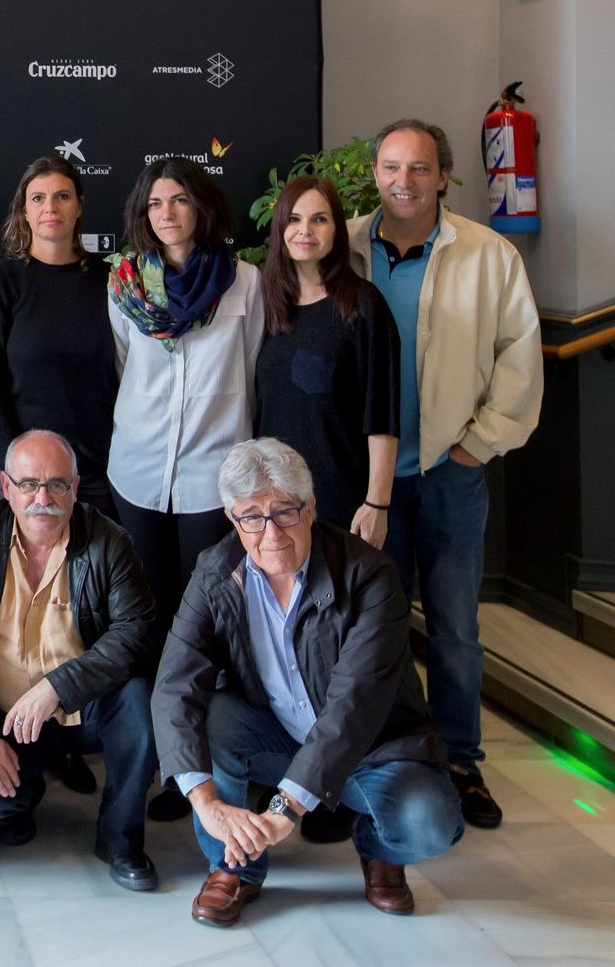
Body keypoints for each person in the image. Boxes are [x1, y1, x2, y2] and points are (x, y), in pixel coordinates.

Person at [153, 439, 463, 926]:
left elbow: (352, 709)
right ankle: (234, 865)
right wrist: (205, 801)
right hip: (277, 732)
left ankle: (378, 848)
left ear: (311, 507)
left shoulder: (370, 575)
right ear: (233, 519)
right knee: (211, 716)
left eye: (284, 511)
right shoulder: (214, 572)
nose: (269, 532)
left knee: (430, 825)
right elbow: (174, 686)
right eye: (251, 516)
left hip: (373, 747)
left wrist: (285, 807)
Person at [347, 118, 543, 828]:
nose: (404, 181)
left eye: (420, 169)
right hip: (368, 484)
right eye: (392, 167)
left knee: (456, 629)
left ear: (443, 176)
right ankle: (389, 756)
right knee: (376, 630)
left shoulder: (488, 257)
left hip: (449, 476)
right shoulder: (339, 245)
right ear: (375, 173)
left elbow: (520, 361)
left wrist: (472, 449)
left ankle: (461, 762)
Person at [106, 156, 263, 821]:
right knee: (152, 620)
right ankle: (166, 765)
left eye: (178, 200)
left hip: (212, 478)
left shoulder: (246, 284)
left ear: (202, 208)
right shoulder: (123, 287)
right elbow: (122, 368)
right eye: (154, 204)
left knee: (207, 629)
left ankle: (209, 764)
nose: (166, 214)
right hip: (138, 473)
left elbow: (254, 369)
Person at [0, 430, 161, 891]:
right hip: (4, 716)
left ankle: (120, 838)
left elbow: (136, 632)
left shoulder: (109, 540)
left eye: (57, 484)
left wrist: (58, 687)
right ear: (6, 487)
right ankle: (26, 792)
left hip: (86, 707)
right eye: (28, 484)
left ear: (75, 489)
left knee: (140, 706)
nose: (42, 497)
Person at [0, 156, 118, 516]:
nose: (50, 207)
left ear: (79, 205)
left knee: (95, 571)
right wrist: (14, 465)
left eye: (62, 196)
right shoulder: (2, 279)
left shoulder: (109, 278)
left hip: (97, 471)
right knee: (19, 571)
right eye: (37, 198)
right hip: (22, 472)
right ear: (24, 209)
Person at [256, 175, 400, 538]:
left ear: (337, 229)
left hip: (341, 504)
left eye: (319, 219)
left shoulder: (363, 306)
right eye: (294, 219)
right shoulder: (268, 306)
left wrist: (376, 504)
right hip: (275, 506)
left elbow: (382, 414)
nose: (305, 230)